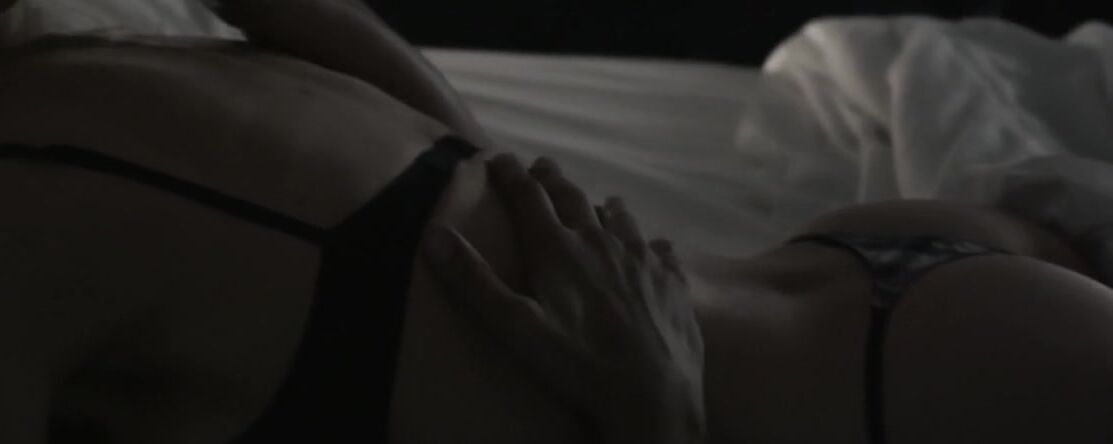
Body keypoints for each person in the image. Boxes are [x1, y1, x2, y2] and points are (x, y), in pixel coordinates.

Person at [0, 1, 1111, 444]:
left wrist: (483, 164)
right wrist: (660, 417)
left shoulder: (47, 59)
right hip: (884, 317)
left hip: (890, 297)